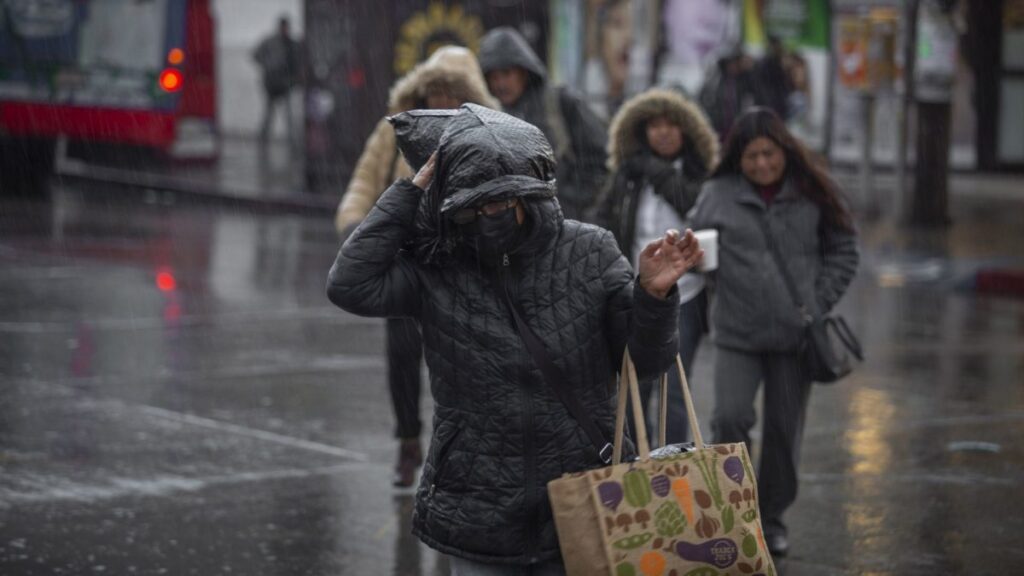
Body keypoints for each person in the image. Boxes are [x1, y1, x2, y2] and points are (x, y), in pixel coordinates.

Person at [327, 104, 702, 572]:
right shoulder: (437, 265)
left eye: (501, 202)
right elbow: (349, 284)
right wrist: (411, 189)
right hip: (476, 505)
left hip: (583, 498)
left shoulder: (590, 251)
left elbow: (646, 362)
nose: (488, 215)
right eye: (473, 206)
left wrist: (652, 296)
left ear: (528, 192)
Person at [688, 108, 859, 557]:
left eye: (769, 154)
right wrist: (697, 261)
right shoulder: (717, 194)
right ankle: (735, 516)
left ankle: (772, 518)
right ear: (737, 159)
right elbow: (693, 248)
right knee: (729, 419)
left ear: (785, 150)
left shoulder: (813, 192)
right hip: (736, 334)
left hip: (794, 339)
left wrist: (817, 303)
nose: (762, 164)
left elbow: (845, 250)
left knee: (784, 433)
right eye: (751, 156)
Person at [334, 46, 499, 488]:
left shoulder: (487, 133)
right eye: (434, 91)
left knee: (466, 363)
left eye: (452, 92)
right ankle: (408, 442)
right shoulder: (395, 128)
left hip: (464, 265)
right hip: (408, 259)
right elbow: (364, 181)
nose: (442, 100)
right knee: (403, 358)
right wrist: (355, 226)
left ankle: (462, 453)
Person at [596, 88, 719, 444]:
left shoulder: (699, 174)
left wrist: (656, 170)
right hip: (634, 290)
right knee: (635, 386)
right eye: (654, 125)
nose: (662, 132)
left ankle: (674, 462)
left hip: (687, 294)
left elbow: (691, 203)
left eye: (671, 124)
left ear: (686, 130)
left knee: (675, 388)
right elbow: (603, 219)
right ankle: (640, 462)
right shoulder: (628, 174)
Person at [478, 27, 608, 223]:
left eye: (506, 73)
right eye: (493, 77)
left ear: (523, 71)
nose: (500, 83)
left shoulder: (560, 103)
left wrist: (569, 201)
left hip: (564, 225)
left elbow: (601, 159)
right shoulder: (485, 115)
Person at [252, 16, 301, 144]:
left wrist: (295, 78)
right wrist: (268, 65)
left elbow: (297, 62)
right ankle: (263, 138)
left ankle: (291, 139)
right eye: (283, 27)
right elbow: (255, 55)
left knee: (287, 114)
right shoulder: (270, 42)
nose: (285, 29)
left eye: (286, 27)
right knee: (270, 113)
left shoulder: (291, 44)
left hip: (285, 83)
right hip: (272, 83)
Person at [699, 48, 756, 142]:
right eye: (731, 63)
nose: (733, 67)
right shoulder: (716, 80)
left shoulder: (742, 80)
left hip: (736, 126)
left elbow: (749, 98)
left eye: (736, 63)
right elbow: (705, 98)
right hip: (720, 126)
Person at [751, 35, 793, 121]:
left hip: (776, 106)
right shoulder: (765, 64)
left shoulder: (780, 63)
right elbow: (761, 87)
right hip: (769, 107)